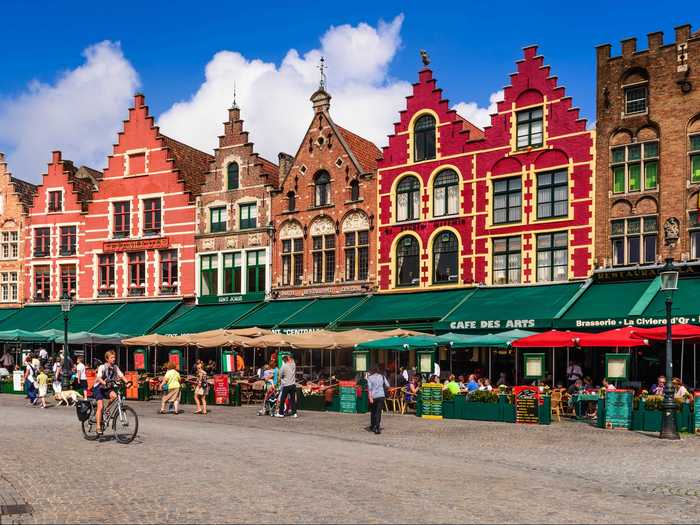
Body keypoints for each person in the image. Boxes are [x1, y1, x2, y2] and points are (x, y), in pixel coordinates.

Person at [93, 350, 125, 437]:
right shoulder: (102, 367)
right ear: (107, 359)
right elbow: (98, 377)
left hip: (107, 388)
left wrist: (127, 382)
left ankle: (107, 410)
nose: (114, 359)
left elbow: (121, 375)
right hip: (98, 388)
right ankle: (98, 427)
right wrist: (103, 382)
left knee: (114, 396)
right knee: (100, 406)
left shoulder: (115, 367)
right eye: (112, 357)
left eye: (114, 357)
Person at [367, 366, 389, 434]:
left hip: (373, 396)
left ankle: (372, 425)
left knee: (373, 411)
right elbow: (388, 385)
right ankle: (377, 427)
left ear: (371, 371)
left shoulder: (369, 378)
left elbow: (369, 388)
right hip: (381, 396)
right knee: (378, 412)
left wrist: (370, 397)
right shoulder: (382, 376)